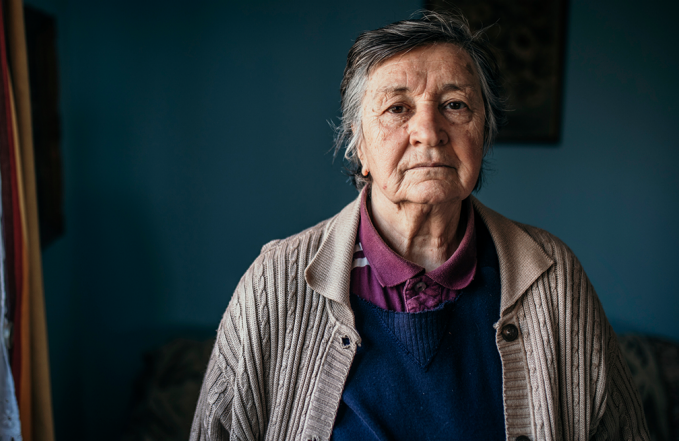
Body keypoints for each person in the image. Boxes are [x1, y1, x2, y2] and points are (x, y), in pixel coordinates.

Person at [191, 11, 648, 440]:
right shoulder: (275, 281)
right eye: (397, 108)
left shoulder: (553, 277)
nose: (428, 130)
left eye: (454, 104)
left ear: (483, 134)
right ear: (359, 146)